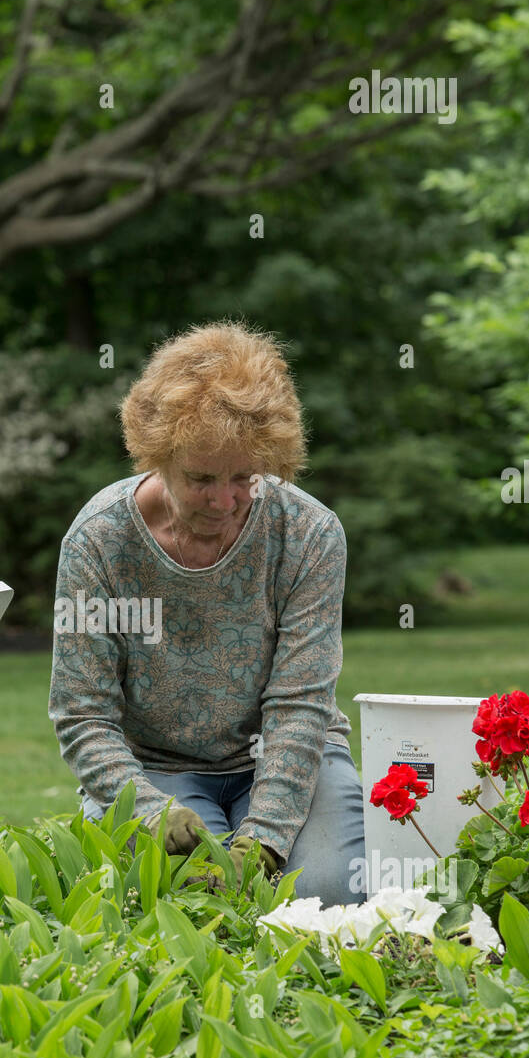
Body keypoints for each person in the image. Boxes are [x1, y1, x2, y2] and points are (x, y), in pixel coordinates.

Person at [48, 319, 365, 907]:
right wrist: (146, 811)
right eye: (201, 479)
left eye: (244, 477)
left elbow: (300, 705)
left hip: (286, 756)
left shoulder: (309, 534)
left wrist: (263, 844)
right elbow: (82, 713)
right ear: (157, 456)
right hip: (155, 773)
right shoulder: (97, 542)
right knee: (194, 907)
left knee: (325, 897)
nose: (224, 500)